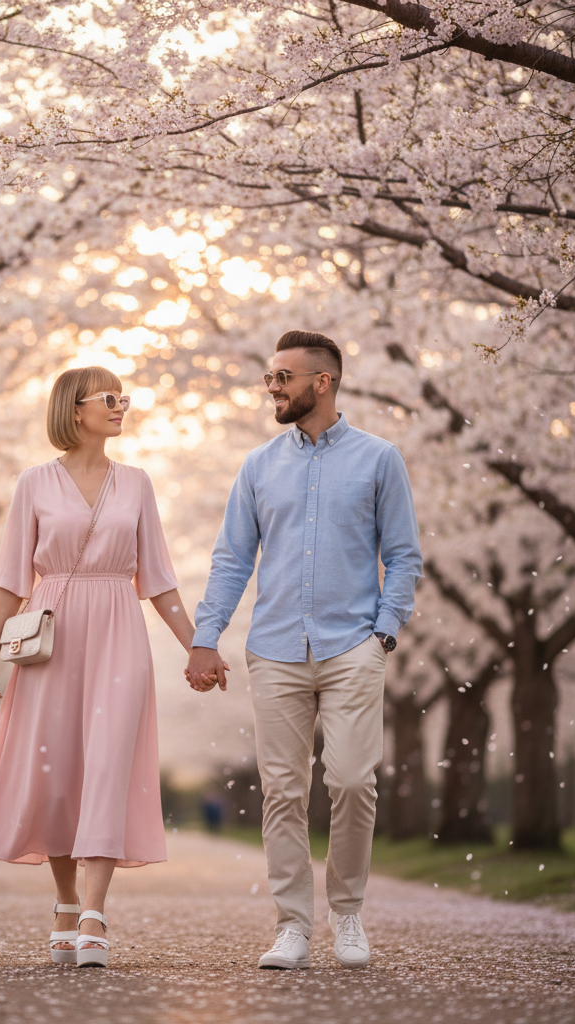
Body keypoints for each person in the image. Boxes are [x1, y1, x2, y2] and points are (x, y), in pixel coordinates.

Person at [0, 366, 207, 969]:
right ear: (75, 409)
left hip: (120, 630)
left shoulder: (137, 483)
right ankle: (65, 901)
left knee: (108, 765)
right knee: (58, 771)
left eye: (124, 398)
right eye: (110, 399)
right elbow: (13, 577)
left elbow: (160, 580)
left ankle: (95, 911)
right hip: (52, 632)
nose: (122, 407)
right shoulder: (33, 484)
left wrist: (198, 645)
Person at [185, 331, 422, 970]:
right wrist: (205, 638)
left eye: (283, 377)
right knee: (284, 792)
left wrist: (384, 633)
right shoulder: (259, 465)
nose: (273, 387)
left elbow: (403, 556)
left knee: (351, 780)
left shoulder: (379, 459)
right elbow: (232, 559)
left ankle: (346, 915)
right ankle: (293, 925)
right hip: (277, 649)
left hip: (353, 647)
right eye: (270, 377)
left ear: (323, 382)